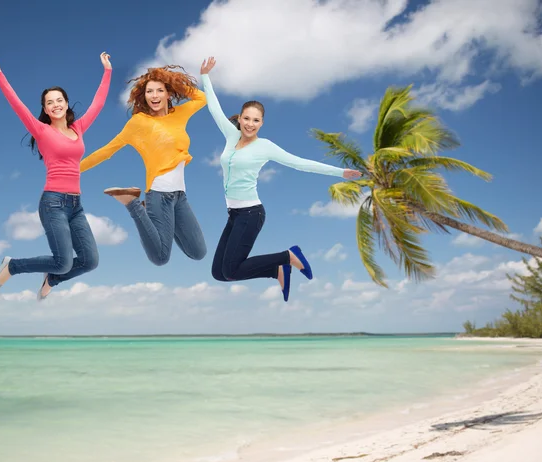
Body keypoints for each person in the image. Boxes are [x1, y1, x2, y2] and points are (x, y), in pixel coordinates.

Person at [200, 57, 361, 301]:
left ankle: (287, 256)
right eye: (246, 118)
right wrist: (205, 77)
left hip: (251, 214)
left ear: (261, 123)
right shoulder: (231, 136)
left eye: (256, 120)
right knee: (219, 274)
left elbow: (299, 163)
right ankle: (276, 270)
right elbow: (214, 108)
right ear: (240, 118)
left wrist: (340, 172)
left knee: (231, 269)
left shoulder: (265, 147)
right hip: (234, 215)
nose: (250, 124)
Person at [0, 52, 112, 300]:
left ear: (66, 103)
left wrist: (107, 71)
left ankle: (51, 279)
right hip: (53, 203)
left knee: (90, 261)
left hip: (76, 205)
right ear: (45, 108)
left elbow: (98, 104)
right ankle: (13, 266)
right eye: (49, 102)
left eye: (59, 100)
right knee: (63, 261)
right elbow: (17, 105)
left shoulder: (78, 128)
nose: (55, 105)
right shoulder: (41, 130)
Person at [79, 65, 207, 267]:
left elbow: (202, 98)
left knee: (198, 252)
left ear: (167, 93)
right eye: (149, 91)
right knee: (160, 258)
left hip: (180, 196)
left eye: (159, 90)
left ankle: (155, 218)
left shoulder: (179, 115)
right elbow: (108, 150)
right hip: (159, 194)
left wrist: (173, 82)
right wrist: (75, 169)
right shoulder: (138, 123)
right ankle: (132, 203)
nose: (154, 96)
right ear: (143, 96)